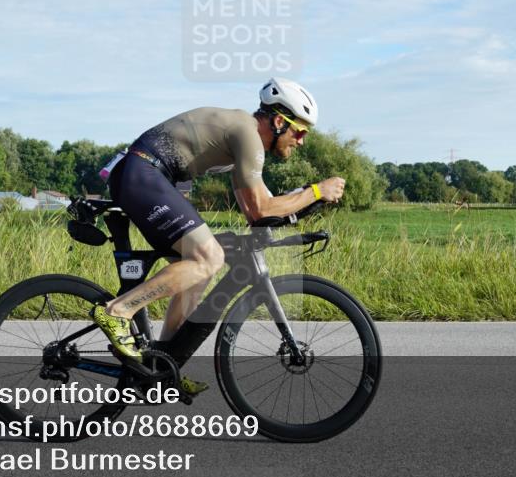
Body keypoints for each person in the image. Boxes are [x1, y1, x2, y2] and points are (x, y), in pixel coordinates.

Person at [92, 77, 346, 395]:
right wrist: (317, 190)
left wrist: (306, 204)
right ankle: (117, 311)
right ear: (280, 121)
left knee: (196, 272)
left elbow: (261, 213)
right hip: (143, 172)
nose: (302, 141)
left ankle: (161, 365)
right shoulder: (247, 134)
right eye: (301, 131)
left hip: (149, 176)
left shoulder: (245, 139)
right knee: (208, 257)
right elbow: (259, 209)